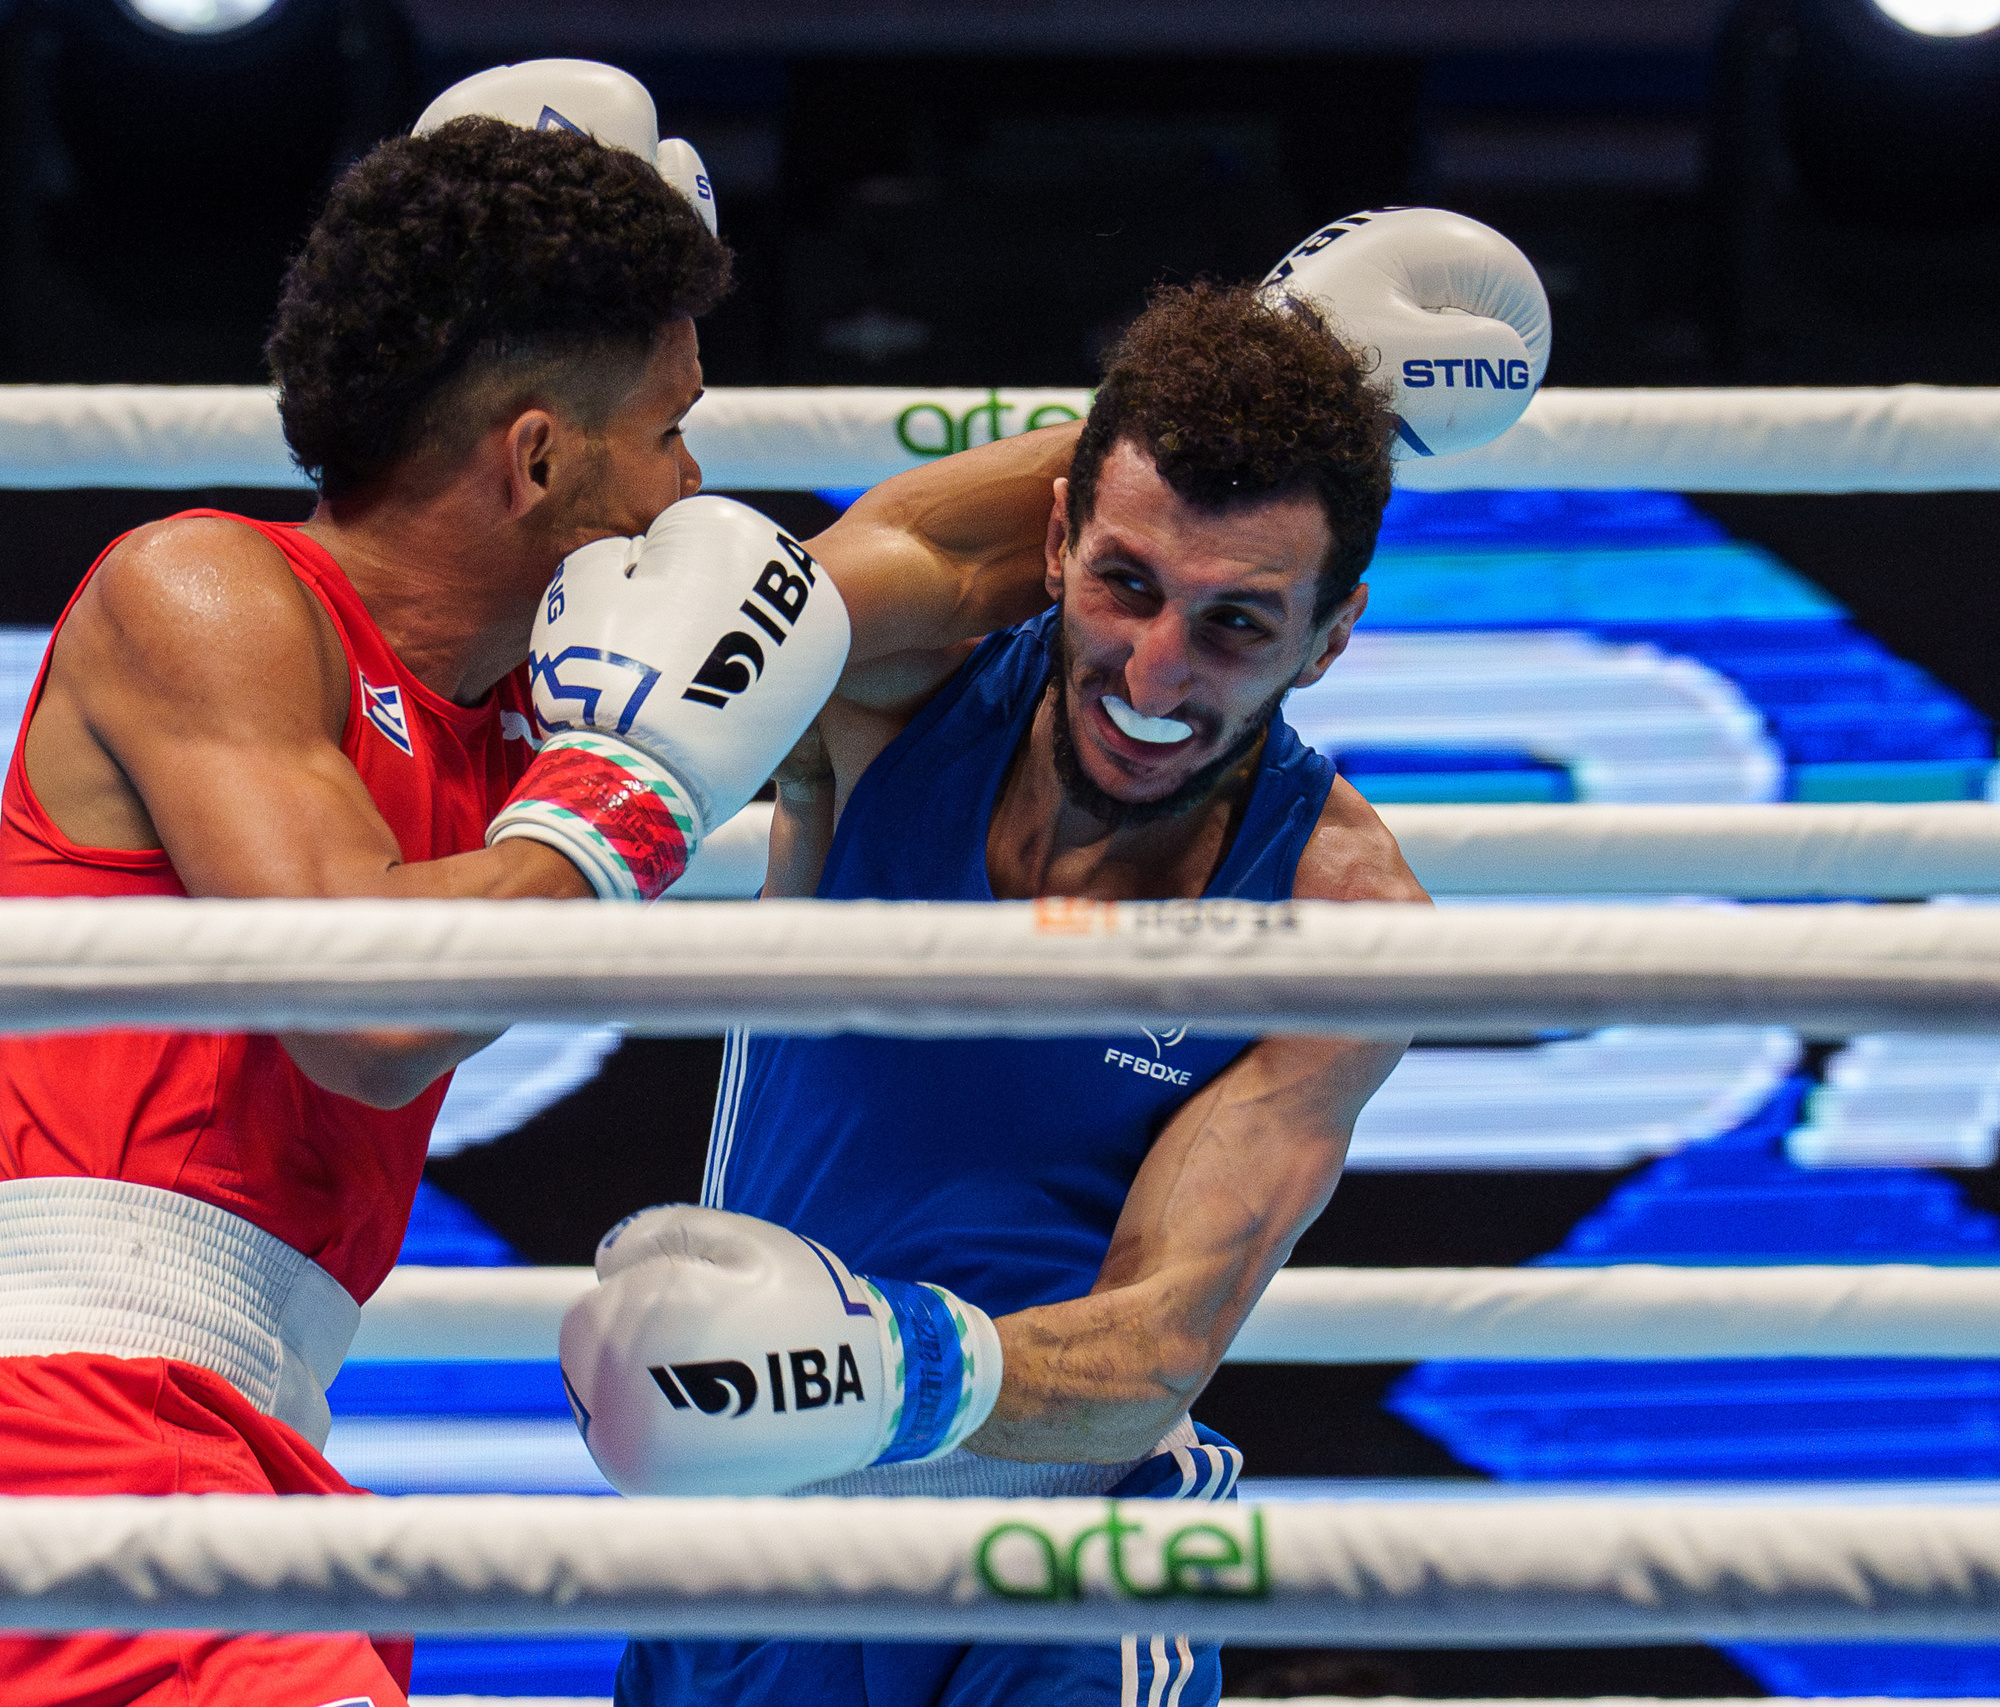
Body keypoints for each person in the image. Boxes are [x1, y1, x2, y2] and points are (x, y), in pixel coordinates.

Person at [0, 59, 1093, 1707]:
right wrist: (631, 796)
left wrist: (1286, 390)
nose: (689, 491)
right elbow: (367, 1016)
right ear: (537, 460)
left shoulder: (540, 697)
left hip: (253, 1456)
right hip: (80, 1443)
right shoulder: (211, 596)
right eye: (667, 433)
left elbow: (933, 562)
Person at [563, 214, 1551, 1707]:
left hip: (1064, 1550)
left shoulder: (1339, 923)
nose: (1158, 677)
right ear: (1053, 547)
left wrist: (887, 1371)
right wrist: (1283, 369)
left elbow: (1159, 1345)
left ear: (1330, 640)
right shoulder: (892, 698)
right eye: (1129, 588)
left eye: (1238, 624)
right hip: (750, 1548)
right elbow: (823, 582)